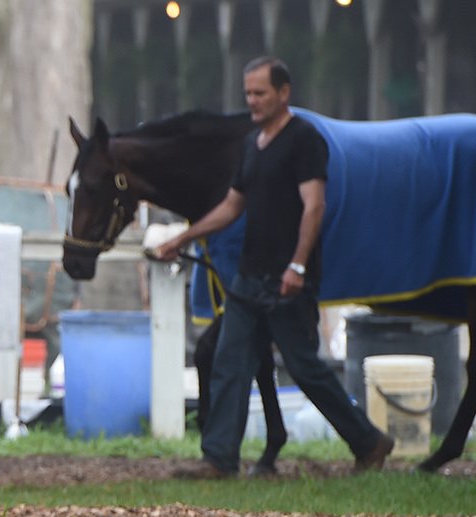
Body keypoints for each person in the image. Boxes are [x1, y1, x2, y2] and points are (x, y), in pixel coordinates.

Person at [154, 57, 394, 479]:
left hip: (288, 280)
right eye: (248, 93)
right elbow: (232, 205)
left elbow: (314, 206)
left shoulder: (304, 140)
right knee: (229, 362)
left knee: (305, 368)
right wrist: (182, 239)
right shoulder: (252, 144)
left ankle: (369, 442)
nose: (252, 101)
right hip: (250, 276)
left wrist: (298, 266)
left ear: (284, 93)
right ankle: (219, 459)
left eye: (260, 93)